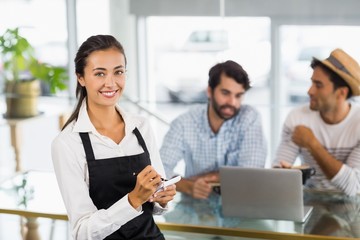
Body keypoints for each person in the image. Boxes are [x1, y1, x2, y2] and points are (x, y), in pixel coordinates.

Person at [51, 35, 176, 240]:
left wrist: (162, 199)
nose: (111, 83)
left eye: (118, 72)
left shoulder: (141, 127)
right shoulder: (67, 144)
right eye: (99, 74)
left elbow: (156, 197)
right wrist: (133, 199)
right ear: (81, 78)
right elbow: (83, 232)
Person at [160, 60, 267, 199]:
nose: (232, 102)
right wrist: (188, 186)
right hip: (196, 209)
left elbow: (251, 174)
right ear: (209, 91)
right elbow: (160, 170)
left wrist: (199, 178)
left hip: (240, 204)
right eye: (225, 93)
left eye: (238, 95)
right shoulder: (184, 122)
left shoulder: (250, 118)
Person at [274, 48, 360, 196]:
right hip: (309, 203)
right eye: (311, 83)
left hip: (352, 208)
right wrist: (285, 174)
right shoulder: (297, 117)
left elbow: (353, 186)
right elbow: (276, 175)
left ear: (341, 93)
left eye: (318, 85)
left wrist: (312, 144)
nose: (310, 91)